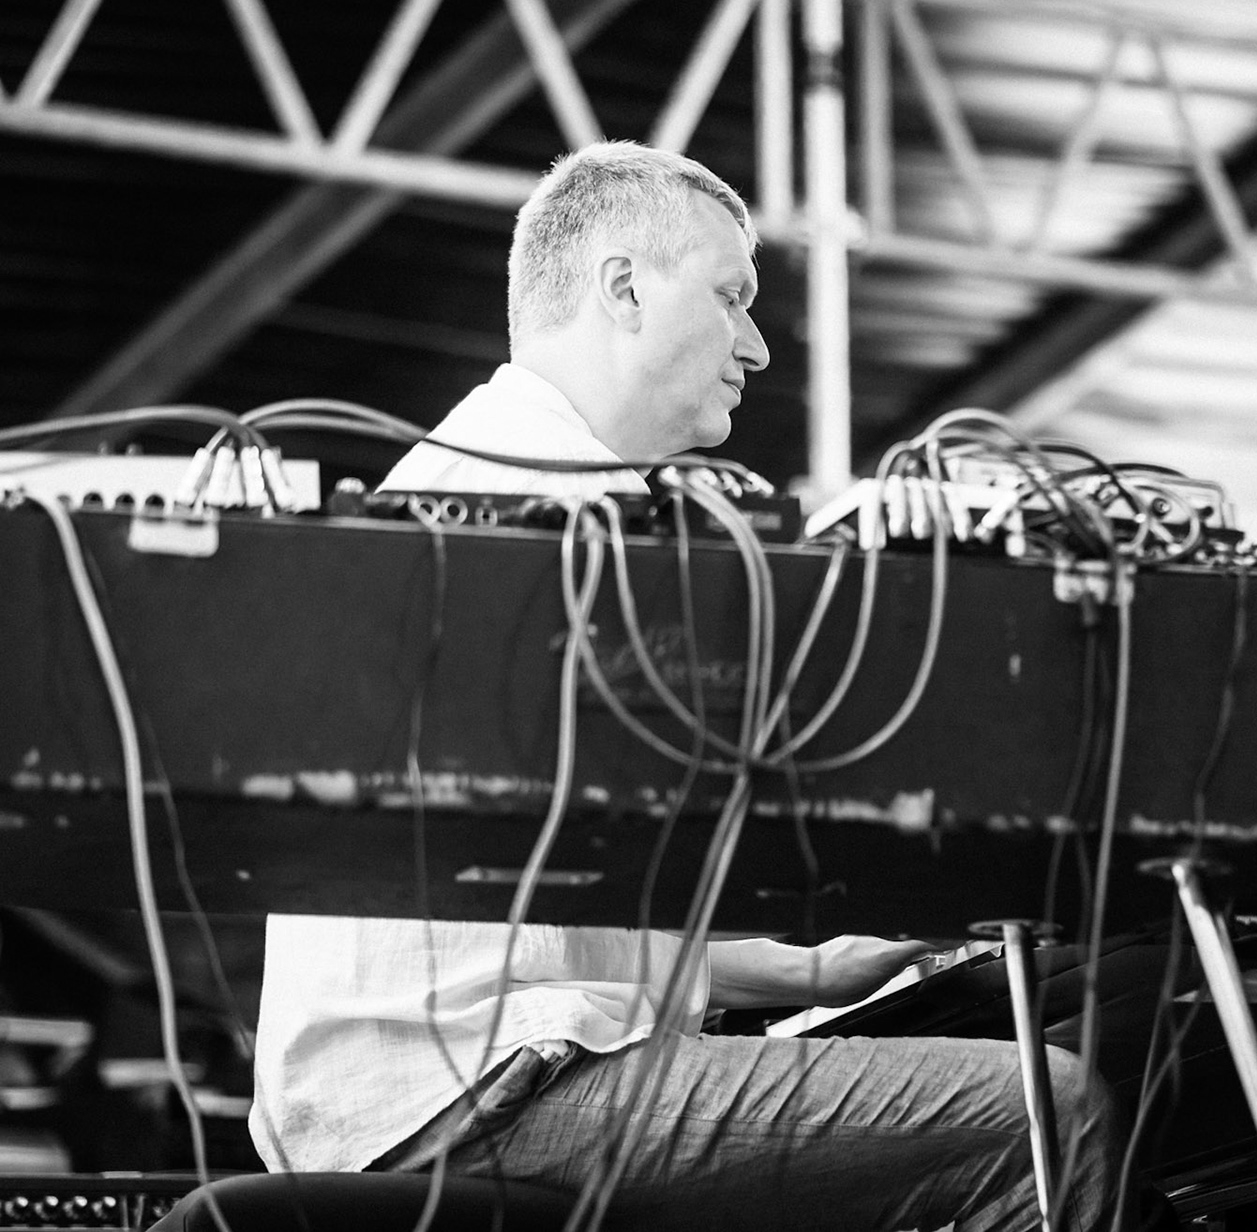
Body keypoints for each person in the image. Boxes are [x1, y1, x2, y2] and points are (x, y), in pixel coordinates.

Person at [248, 141, 1123, 1232]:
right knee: (1050, 1112)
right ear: (623, 287)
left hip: (439, 1075)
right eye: (733, 296)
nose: (756, 344)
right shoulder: (543, 511)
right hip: (479, 1088)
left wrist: (810, 965)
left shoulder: (490, 480)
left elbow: (550, 910)